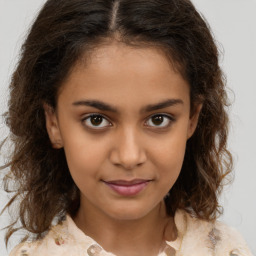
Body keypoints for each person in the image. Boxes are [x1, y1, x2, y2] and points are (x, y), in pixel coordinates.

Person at [0, 0, 253, 255]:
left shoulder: (226, 250)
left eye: (158, 119)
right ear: (53, 123)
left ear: (192, 119)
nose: (129, 157)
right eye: (96, 120)